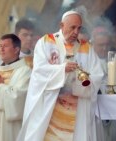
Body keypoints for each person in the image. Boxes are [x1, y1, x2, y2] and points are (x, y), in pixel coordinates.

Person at [17, 10, 103, 141]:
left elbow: (97, 76)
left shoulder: (86, 48)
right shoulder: (46, 42)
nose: (76, 32)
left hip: (76, 109)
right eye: (72, 27)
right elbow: (39, 72)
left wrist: (78, 82)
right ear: (61, 25)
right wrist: (62, 70)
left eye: (79, 28)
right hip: (50, 109)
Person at [0, 34, 32, 141]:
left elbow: (18, 99)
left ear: (17, 49)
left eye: (6, 46)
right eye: (0, 46)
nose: (1, 49)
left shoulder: (25, 71)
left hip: (10, 127)